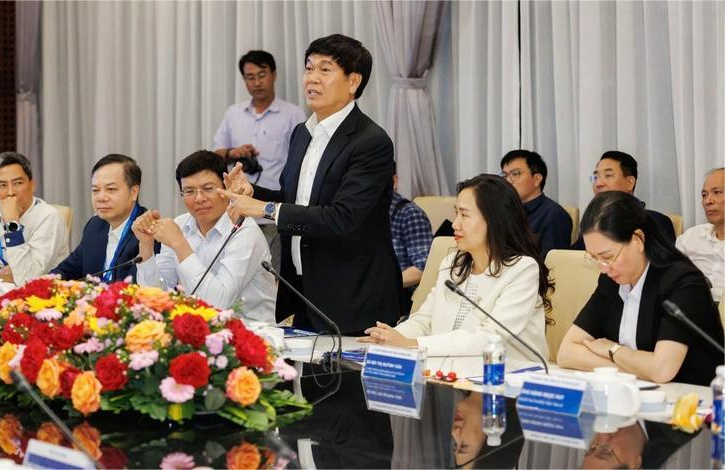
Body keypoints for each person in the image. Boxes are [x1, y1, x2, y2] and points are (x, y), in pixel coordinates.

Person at [220, 34, 402, 335]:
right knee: (310, 383)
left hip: (354, 298)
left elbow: (343, 218)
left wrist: (263, 208)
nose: (311, 79)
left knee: (348, 384)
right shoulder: (302, 134)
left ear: (353, 82)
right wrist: (253, 193)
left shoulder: (371, 141)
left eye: (325, 70)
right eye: (308, 68)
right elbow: (294, 201)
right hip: (306, 293)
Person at [359, 174, 551, 365]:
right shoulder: (452, 264)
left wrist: (410, 344)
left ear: (494, 220)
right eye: (456, 213)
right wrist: (390, 336)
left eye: (464, 215)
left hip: (508, 377)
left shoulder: (522, 269)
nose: (454, 224)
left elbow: (490, 338)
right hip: (452, 369)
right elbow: (425, 320)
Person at [557, 191, 723, 386]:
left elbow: (662, 370)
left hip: (691, 404)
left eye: (608, 256)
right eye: (594, 259)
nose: (604, 267)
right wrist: (629, 367)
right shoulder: (611, 279)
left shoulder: (684, 282)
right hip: (637, 396)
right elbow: (566, 353)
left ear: (638, 239)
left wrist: (613, 350)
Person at [133, 150, 275, 324]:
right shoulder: (181, 225)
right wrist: (146, 246)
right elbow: (156, 298)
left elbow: (217, 304)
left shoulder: (244, 230)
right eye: (189, 191)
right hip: (197, 336)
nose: (199, 198)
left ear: (225, 188)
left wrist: (180, 244)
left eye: (208, 189)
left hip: (252, 337)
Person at [213, 50, 306, 272]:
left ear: (273, 75)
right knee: (239, 273)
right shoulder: (234, 113)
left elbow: (302, 160)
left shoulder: (293, 114)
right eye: (250, 77)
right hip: (240, 213)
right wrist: (233, 153)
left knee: (273, 273)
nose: (256, 82)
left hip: (274, 212)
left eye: (262, 75)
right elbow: (215, 156)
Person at [0, 152, 69, 285]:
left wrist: (12, 224)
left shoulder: (49, 218)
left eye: (18, 183)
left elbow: (27, 277)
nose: (10, 192)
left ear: (32, 185)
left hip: (38, 299)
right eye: (2, 185)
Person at [51, 154, 149, 282]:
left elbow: (138, 288)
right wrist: (49, 280)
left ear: (134, 192)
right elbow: (68, 269)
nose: (101, 197)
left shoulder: (147, 232)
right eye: (95, 190)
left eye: (111, 189)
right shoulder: (95, 225)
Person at [572, 151, 676, 250]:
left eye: (608, 175)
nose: (598, 183)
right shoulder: (593, 222)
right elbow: (569, 258)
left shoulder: (656, 222)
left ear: (630, 183)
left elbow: (664, 265)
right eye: (595, 177)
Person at [500, 149, 572, 257]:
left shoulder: (554, 215)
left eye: (515, 174)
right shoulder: (504, 211)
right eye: (505, 176)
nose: (508, 181)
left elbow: (552, 265)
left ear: (537, 179)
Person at [390, 161, 433, 315]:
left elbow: (423, 269)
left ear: (394, 181)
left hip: (399, 297)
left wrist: (381, 286)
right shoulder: (361, 214)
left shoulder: (410, 214)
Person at [676, 167, 724, 302]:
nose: (708, 201)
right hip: (690, 307)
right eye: (704, 195)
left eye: (717, 192)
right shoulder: (691, 237)